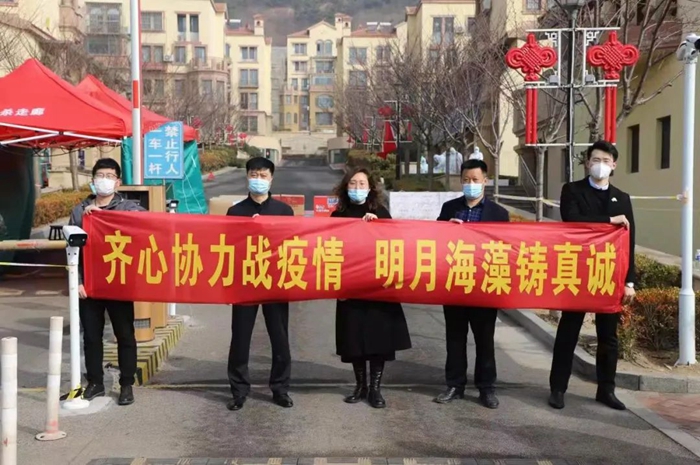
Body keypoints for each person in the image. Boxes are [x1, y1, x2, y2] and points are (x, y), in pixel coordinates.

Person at [548, 140, 635, 411]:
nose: (600, 165)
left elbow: (629, 241)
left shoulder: (622, 198)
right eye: (596, 159)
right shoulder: (572, 190)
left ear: (614, 165)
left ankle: (606, 390)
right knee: (568, 332)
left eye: (606, 161)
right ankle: (558, 388)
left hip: (608, 274)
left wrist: (629, 281)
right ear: (587, 163)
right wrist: (609, 221)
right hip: (577, 272)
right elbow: (572, 220)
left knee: (608, 336)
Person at [330, 168, 412, 408]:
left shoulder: (381, 213)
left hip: (378, 288)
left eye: (362, 183)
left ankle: (375, 388)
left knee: (378, 338)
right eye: (353, 183)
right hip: (350, 287)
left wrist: (378, 227)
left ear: (370, 188)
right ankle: (360, 386)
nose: (357, 188)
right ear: (345, 187)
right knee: (354, 338)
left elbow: (396, 245)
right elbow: (330, 250)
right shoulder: (338, 216)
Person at [69, 157, 145, 406]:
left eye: (110, 176)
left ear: (118, 182)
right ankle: (95, 383)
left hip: (118, 283)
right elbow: (72, 251)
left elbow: (146, 225)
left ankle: (126, 384)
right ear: (92, 181)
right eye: (100, 176)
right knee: (91, 337)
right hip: (90, 285)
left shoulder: (128, 208)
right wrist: (78, 281)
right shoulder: (79, 211)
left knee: (125, 335)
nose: (104, 180)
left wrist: (106, 218)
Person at [434, 159, 510, 409]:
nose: (470, 184)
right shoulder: (449, 209)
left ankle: (486, 388)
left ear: (485, 181)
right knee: (455, 338)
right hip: (455, 283)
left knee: (485, 340)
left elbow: (507, 249)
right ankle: (454, 385)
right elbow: (434, 242)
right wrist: (447, 229)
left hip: (484, 286)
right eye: (466, 180)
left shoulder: (499, 214)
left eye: (475, 180)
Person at [225, 157, 294, 411]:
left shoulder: (284, 211)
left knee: (280, 337)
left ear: (271, 179)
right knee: (240, 337)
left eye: (263, 175)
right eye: (254, 175)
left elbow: (292, 245)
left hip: (275, 282)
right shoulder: (235, 212)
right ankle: (239, 391)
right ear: (247, 177)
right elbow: (228, 248)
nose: (259, 179)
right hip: (245, 282)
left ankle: (280, 389)